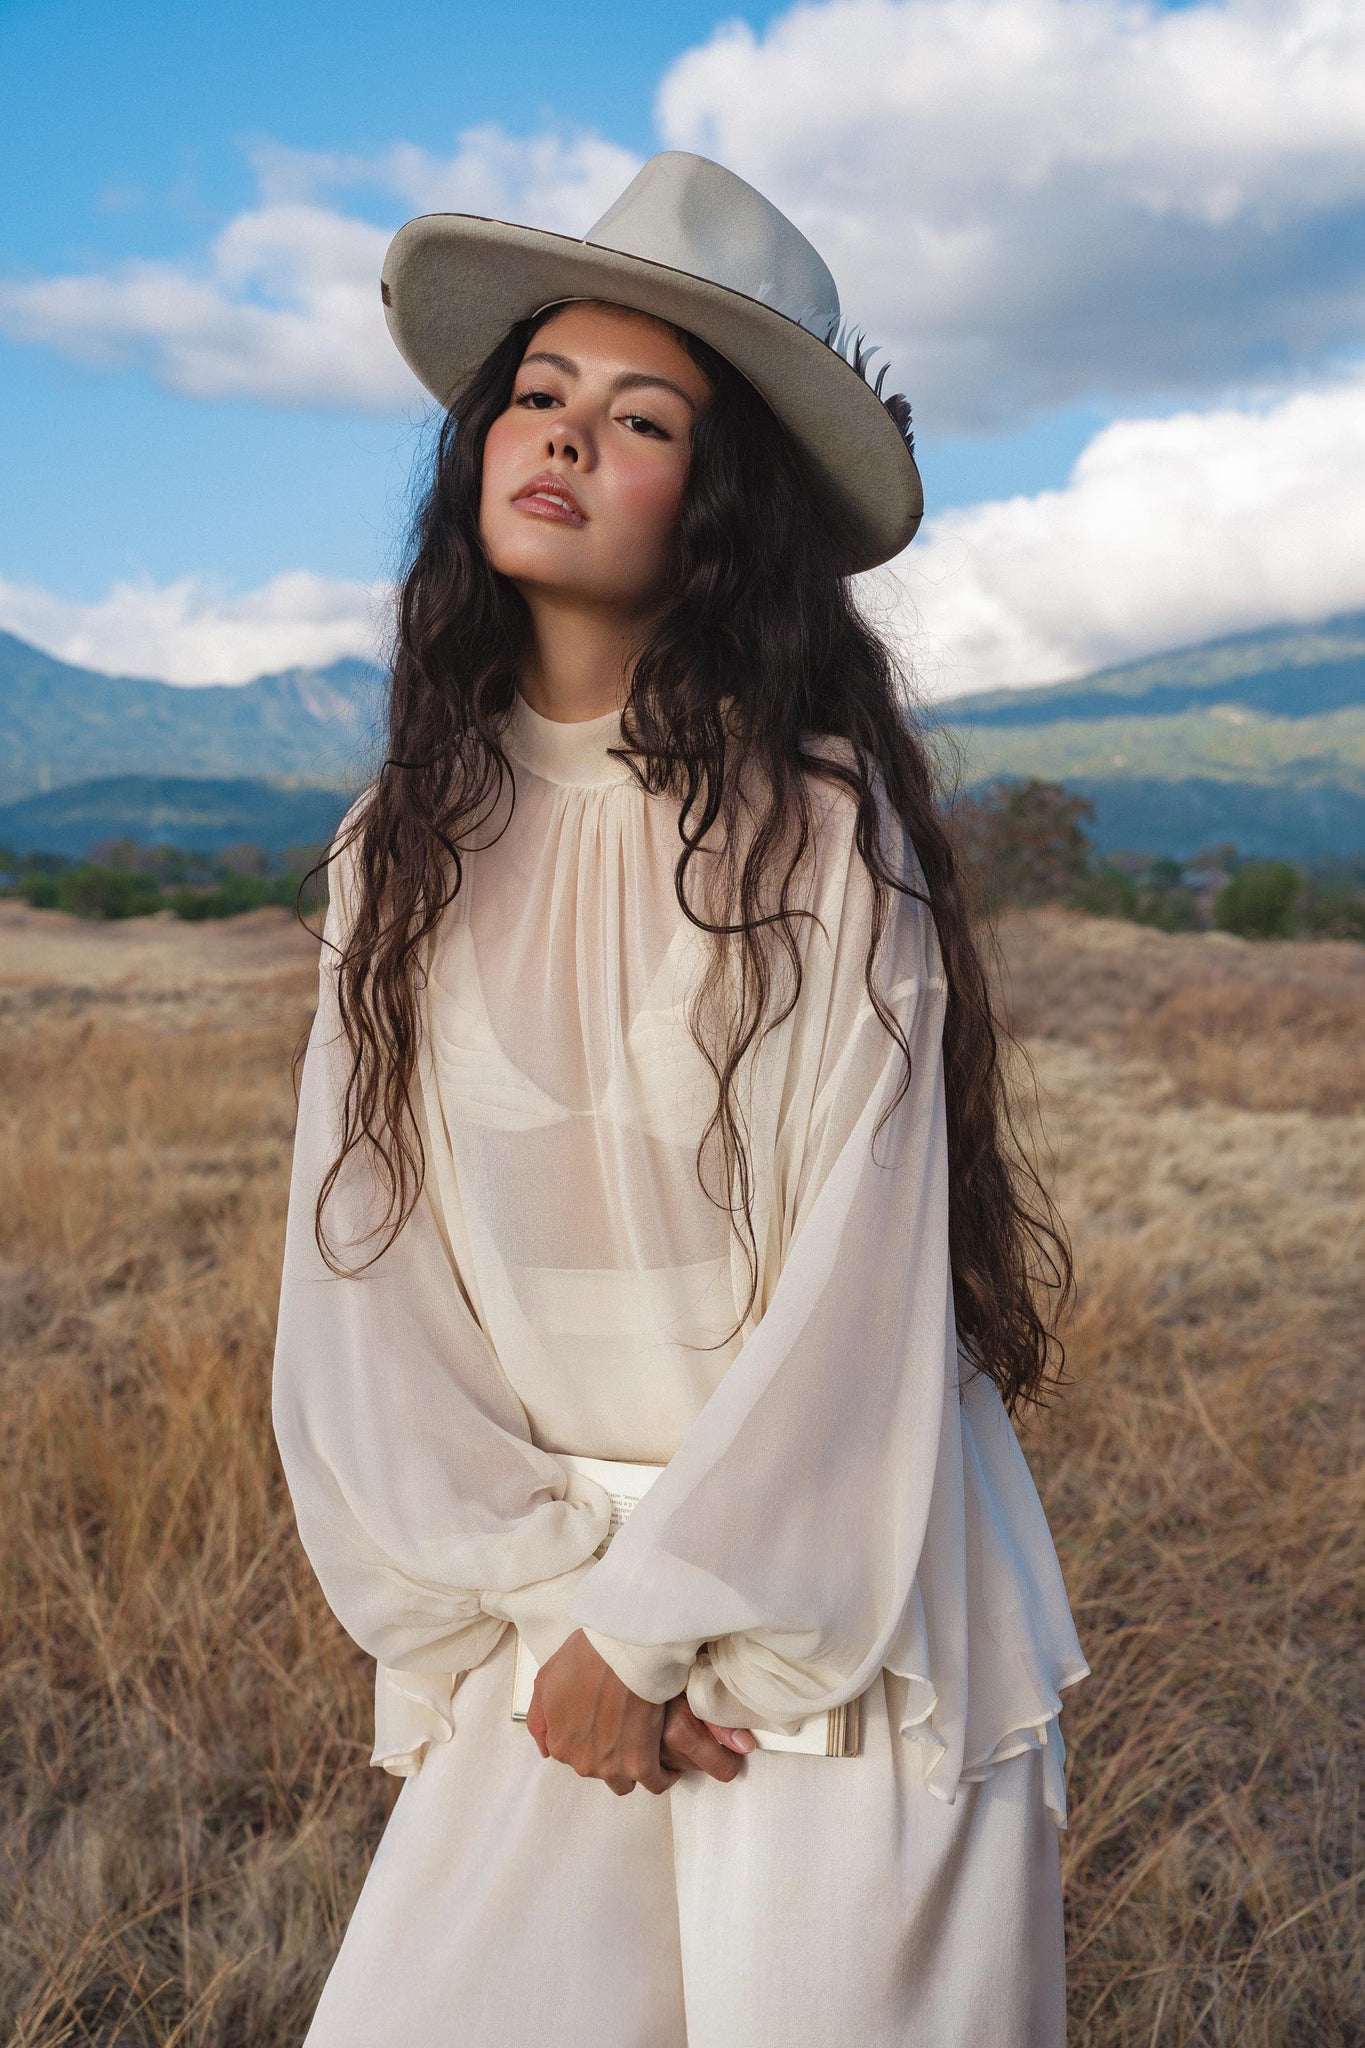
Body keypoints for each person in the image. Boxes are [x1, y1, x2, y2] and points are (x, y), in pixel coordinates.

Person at [272, 151, 1089, 2047]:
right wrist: (558, 1618)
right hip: (536, 1620)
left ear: (717, 506)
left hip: (830, 1611)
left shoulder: (814, 833)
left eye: (638, 419)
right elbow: (360, 1285)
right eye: (536, 398)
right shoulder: (395, 847)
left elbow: (855, 1300)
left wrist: (654, 1628)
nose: (562, 437)